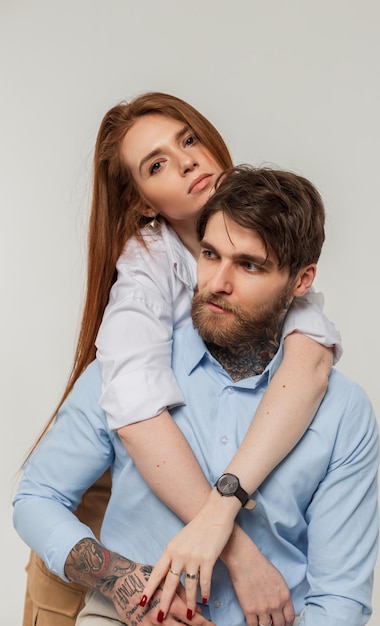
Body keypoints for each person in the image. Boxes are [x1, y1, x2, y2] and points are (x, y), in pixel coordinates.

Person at [22, 93, 341, 625]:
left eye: (188, 139)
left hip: (192, 502)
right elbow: (137, 411)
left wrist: (223, 521)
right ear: (144, 202)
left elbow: (309, 359)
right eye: (157, 164)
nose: (187, 160)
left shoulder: (269, 250)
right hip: (101, 502)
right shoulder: (143, 276)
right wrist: (234, 547)